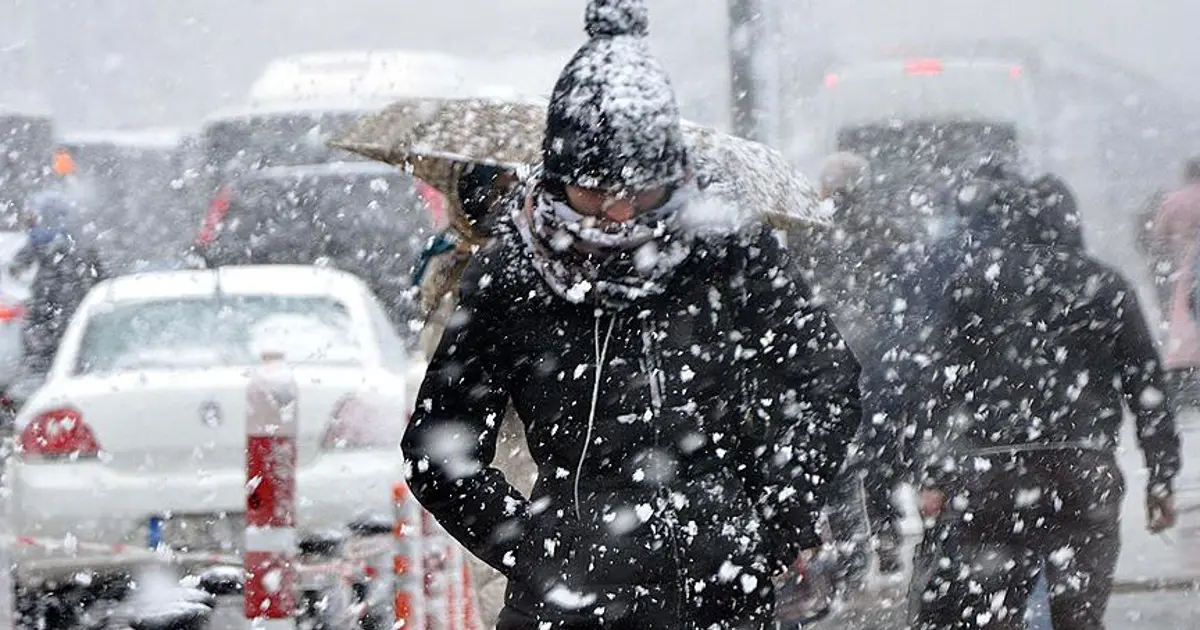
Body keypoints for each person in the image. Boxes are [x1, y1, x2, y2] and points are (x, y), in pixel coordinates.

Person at [400, 1, 863, 628]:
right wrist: (537, 550)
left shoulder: (727, 252)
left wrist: (775, 514)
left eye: (638, 192)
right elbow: (439, 451)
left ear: (672, 176)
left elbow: (826, 380)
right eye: (594, 191)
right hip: (566, 603)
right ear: (557, 177)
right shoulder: (511, 276)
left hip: (720, 593)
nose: (617, 215)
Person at [910, 166, 1181, 630]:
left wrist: (932, 472)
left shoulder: (974, 282)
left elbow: (938, 382)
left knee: (993, 611)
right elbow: (1145, 384)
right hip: (1081, 467)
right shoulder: (1104, 284)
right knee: (1078, 613)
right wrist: (1161, 475)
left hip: (989, 471)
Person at [11, 191, 106, 378]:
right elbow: (94, 268)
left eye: (34, 214)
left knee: (45, 344)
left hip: (50, 301)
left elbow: (19, 264)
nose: (30, 219)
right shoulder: (71, 238)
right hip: (67, 300)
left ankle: (45, 372)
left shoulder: (41, 238)